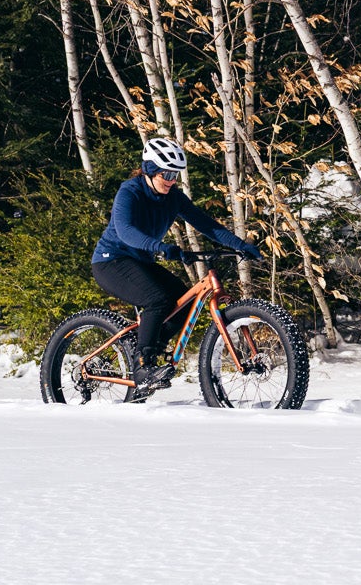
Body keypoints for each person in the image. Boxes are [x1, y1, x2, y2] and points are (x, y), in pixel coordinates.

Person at [91, 137, 262, 394]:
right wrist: (160, 247)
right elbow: (125, 231)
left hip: (141, 261)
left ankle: (147, 349)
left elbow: (207, 225)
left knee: (183, 304)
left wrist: (240, 244)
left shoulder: (174, 197)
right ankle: (142, 366)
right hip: (111, 261)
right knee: (157, 299)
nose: (171, 179)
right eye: (167, 173)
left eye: (176, 174)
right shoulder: (130, 191)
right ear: (149, 169)